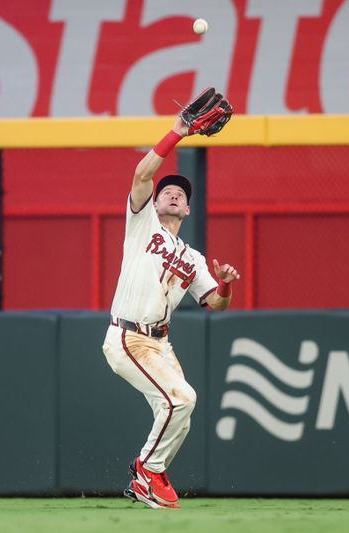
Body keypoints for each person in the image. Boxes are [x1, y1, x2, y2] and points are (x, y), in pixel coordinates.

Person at [101, 103, 239, 510]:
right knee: (183, 399)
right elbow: (142, 174)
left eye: (181, 194)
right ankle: (147, 471)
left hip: (160, 343)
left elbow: (216, 303)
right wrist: (177, 131)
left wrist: (227, 286)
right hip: (128, 334)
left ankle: (146, 474)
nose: (174, 193)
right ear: (154, 202)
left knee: (177, 408)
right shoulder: (142, 224)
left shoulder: (193, 257)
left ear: (189, 208)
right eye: (167, 191)